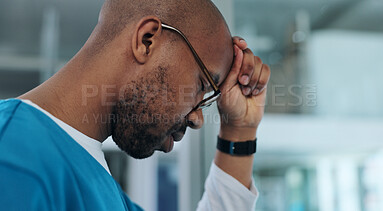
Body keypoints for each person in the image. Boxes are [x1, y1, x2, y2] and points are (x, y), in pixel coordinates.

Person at [0, 0, 270, 210]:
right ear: (147, 40)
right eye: (201, 85)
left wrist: (239, 131)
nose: (197, 118)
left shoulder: (103, 189)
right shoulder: (13, 157)